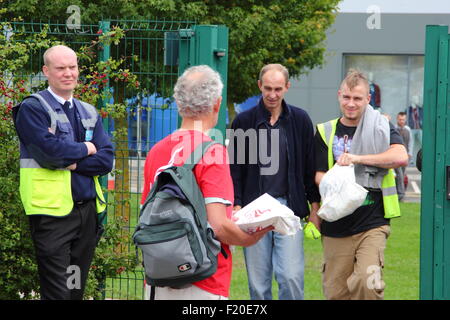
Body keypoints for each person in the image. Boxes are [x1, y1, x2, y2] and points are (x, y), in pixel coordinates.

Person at [140, 65, 272, 300]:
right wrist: (250, 238)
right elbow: (219, 226)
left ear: (179, 103)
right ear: (217, 104)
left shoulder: (156, 151)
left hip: (158, 276)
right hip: (203, 278)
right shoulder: (212, 152)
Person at [12, 45, 114, 300]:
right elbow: (50, 154)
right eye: (60, 68)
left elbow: (106, 160)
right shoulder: (33, 109)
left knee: (75, 290)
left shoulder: (88, 111)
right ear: (46, 71)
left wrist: (74, 162)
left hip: (87, 212)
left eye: (72, 67)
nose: (68, 73)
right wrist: (87, 148)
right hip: (52, 215)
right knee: (58, 293)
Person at [312, 69, 408, 300]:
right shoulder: (325, 131)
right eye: (346, 97)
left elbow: (400, 156)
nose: (351, 103)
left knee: (367, 284)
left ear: (367, 99)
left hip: (372, 222)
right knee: (336, 293)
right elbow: (317, 175)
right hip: (336, 224)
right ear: (339, 96)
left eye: (357, 98)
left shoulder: (382, 127)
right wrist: (340, 186)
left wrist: (357, 159)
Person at [229, 63, 321, 300]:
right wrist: (237, 203)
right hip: (253, 211)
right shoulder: (243, 122)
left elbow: (309, 167)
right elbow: (235, 169)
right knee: (258, 285)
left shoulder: (300, 120)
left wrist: (314, 208)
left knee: (290, 277)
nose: (272, 94)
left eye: (278, 89)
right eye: (268, 88)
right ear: (259, 86)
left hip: (288, 210)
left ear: (287, 87)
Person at [394, 111, 412, 200]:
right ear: (397, 119)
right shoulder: (394, 129)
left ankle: (399, 192)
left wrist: (410, 153)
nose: (401, 121)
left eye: (403, 120)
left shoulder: (407, 130)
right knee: (399, 174)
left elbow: (410, 142)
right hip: (396, 155)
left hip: (405, 155)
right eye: (400, 119)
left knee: (402, 174)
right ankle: (401, 194)